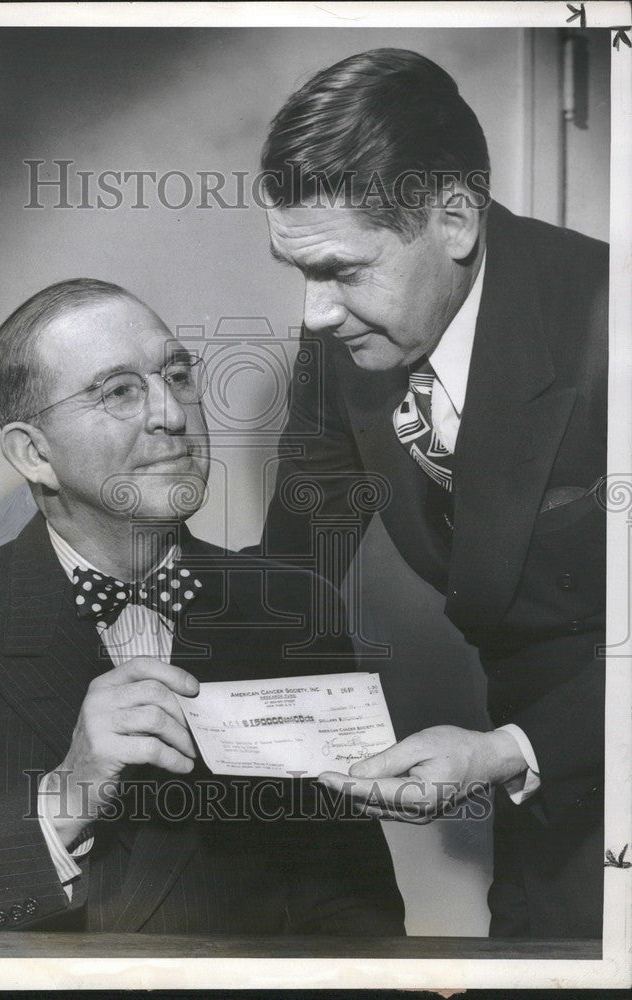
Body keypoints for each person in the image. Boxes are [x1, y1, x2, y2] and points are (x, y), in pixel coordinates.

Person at [0, 278, 405, 936]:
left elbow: (353, 908)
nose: (171, 412)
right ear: (33, 452)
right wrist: (67, 793)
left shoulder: (294, 608)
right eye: (119, 390)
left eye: (178, 374)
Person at [257, 49, 606, 939]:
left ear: (453, 219)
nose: (315, 314)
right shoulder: (347, 340)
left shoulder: (613, 321)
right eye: (300, 272)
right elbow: (292, 570)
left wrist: (503, 751)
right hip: (545, 786)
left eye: (341, 269)